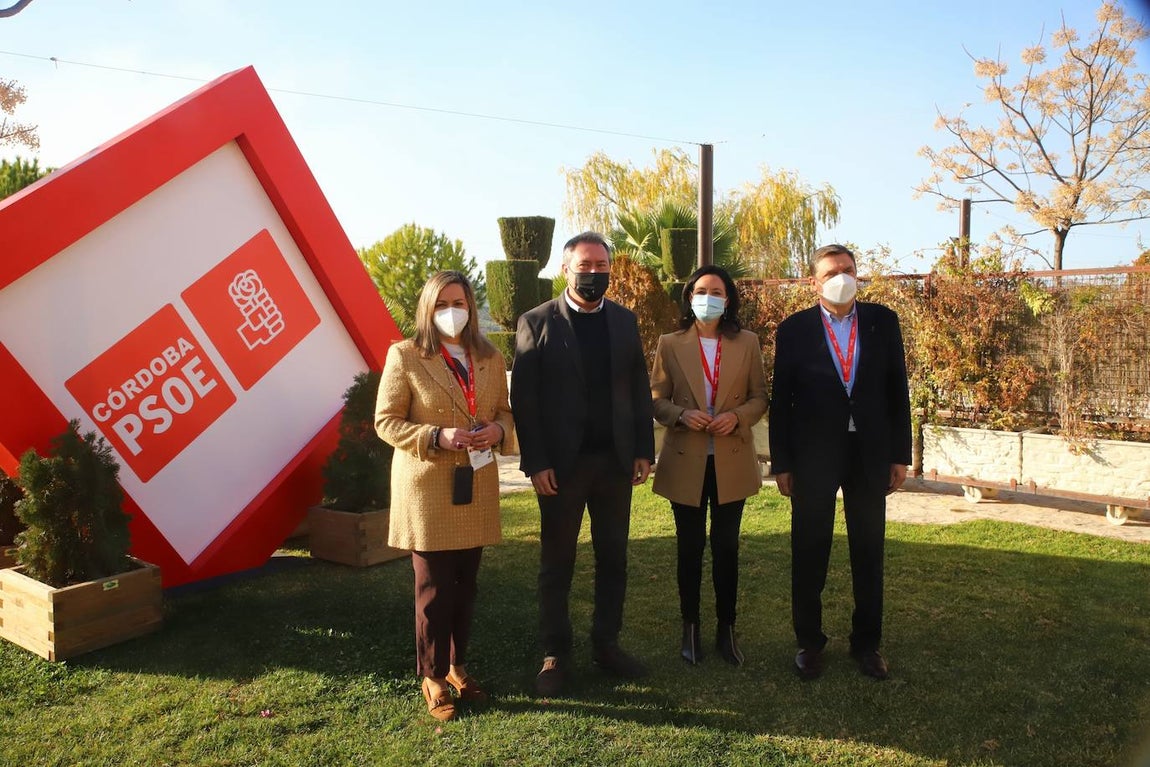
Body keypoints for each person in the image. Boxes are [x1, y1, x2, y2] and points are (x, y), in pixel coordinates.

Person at [511, 231, 655, 696]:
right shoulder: (536, 322)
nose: (594, 274)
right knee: (558, 561)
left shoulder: (624, 321)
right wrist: (536, 462)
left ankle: (606, 645)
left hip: (614, 463)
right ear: (566, 268)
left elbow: (637, 387)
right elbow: (525, 401)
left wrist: (642, 449)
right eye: (585, 265)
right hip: (562, 467)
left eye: (602, 266)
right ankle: (555, 653)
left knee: (613, 557)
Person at [375, 270, 514, 721]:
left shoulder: (490, 358)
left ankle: (457, 668)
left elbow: (505, 415)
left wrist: (497, 430)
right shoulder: (406, 356)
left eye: (459, 302)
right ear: (427, 309)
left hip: (475, 486)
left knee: (466, 585)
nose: (451, 312)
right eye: (440, 304)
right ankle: (431, 677)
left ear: (471, 307)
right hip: (429, 489)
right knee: (433, 588)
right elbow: (386, 421)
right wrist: (437, 435)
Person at [768, 244, 911, 681]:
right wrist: (782, 463)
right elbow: (782, 403)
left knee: (869, 551)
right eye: (832, 272)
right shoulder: (793, 330)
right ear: (814, 281)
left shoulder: (883, 322)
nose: (842, 277)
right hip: (813, 454)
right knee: (810, 549)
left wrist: (900, 454)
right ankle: (809, 643)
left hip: (869, 452)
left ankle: (867, 644)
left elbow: (896, 390)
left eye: (848, 270)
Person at [650, 265, 768, 667]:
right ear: (689, 296)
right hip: (686, 460)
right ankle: (690, 629)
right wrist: (681, 415)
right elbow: (655, 399)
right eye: (701, 290)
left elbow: (759, 398)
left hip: (731, 458)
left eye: (716, 290)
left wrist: (737, 417)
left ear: (729, 298)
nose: (708, 297)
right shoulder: (670, 343)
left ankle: (727, 628)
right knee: (689, 547)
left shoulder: (747, 342)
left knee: (726, 547)